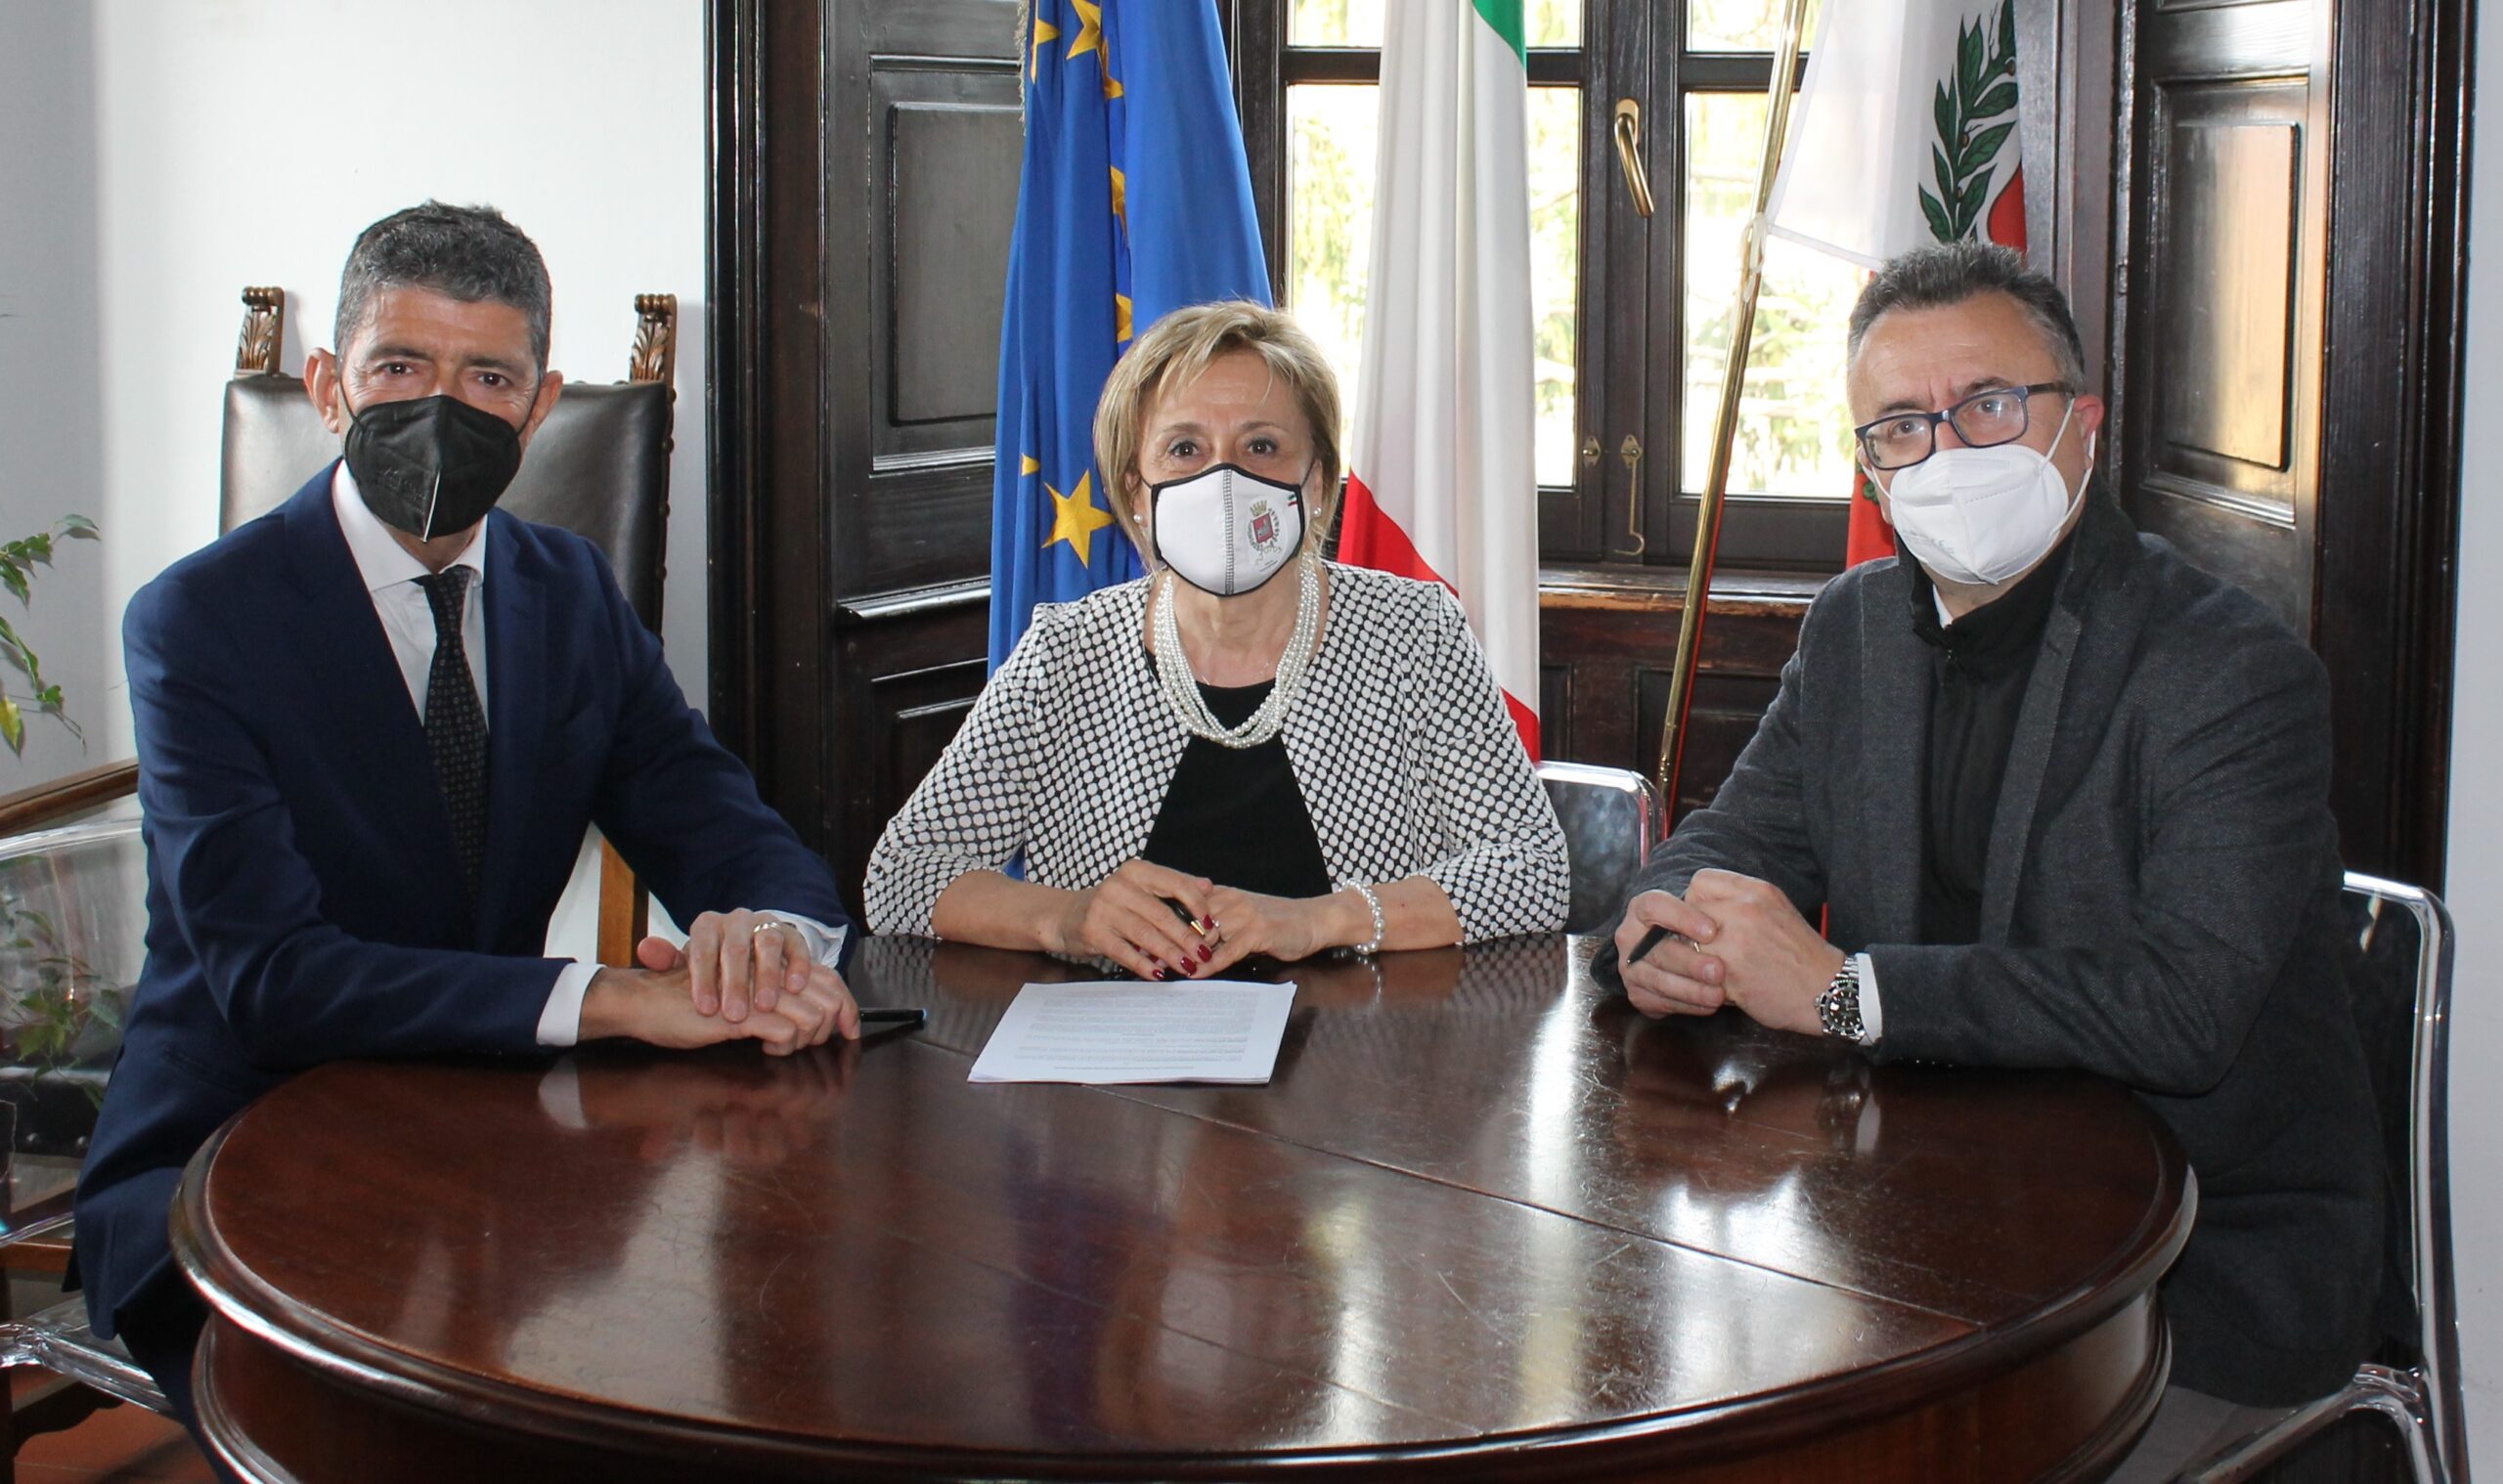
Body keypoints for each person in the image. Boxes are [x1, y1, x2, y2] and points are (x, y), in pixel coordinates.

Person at [78, 202, 864, 1430]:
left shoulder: (571, 592)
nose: (440, 406)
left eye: (486, 375)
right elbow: (271, 977)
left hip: (487, 1139)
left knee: (690, 1391)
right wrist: (612, 997)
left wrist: (768, 936)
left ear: (539, 405)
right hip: (228, 1158)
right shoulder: (198, 623)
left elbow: (714, 815)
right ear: (330, 387)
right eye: (401, 366)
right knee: (394, 1439)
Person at [1597, 244, 2381, 1453]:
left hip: (2190, 1274)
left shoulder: (2224, 668)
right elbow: (1720, 844)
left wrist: (1850, 994)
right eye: (1901, 426)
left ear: (2084, 424)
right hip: (1906, 1224)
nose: (1947, 453)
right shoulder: (1856, 625)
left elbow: (2181, 1010)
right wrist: (1659, 937)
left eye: (1989, 407)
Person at [865, 300, 1566, 971]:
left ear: (1316, 482)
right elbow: (902, 876)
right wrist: (1068, 919)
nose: (1224, 480)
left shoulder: (1414, 633)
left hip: (1363, 1055)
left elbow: (1532, 870)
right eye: (1184, 449)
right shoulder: (1067, 653)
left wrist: (1321, 920)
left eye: (1261, 446)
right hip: (1119, 1066)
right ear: (1136, 493)